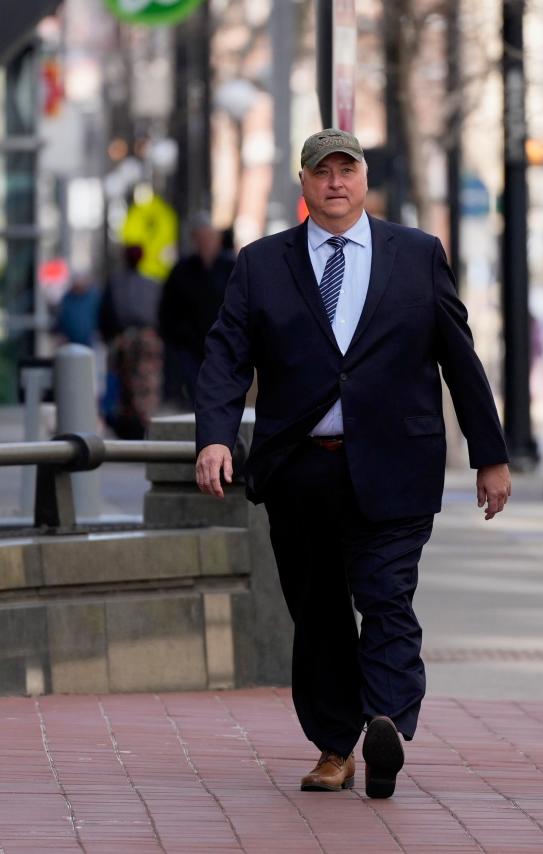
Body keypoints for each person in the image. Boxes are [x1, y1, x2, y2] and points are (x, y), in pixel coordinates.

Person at [194, 128, 511, 799]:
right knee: (319, 614)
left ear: (364, 177)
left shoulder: (417, 255)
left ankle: (387, 720)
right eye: (322, 172)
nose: (335, 182)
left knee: (387, 598)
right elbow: (226, 357)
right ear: (303, 183)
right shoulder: (261, 263)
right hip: (300, 469)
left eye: (347, 169)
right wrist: (216, 438)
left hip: (396, 462)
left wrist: (491, 457)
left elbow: (459, 358)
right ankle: (334, 748)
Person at [159, 212, 235, 408]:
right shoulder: (182, 270)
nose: (205, 243)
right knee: (196, 397)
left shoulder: (231, 267)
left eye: (209, 237)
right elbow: (167, 311)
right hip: (190, 347)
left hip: (224, 345)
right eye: (200, 238)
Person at [99, 245, 164, 438]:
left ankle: (135, 422)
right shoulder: (150, 284)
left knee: (132, 384)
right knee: (140, 385)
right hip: (140, 339)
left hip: (127, 338)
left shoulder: (117, 283)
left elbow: (106, 315)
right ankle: (139, 422)